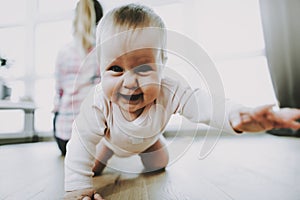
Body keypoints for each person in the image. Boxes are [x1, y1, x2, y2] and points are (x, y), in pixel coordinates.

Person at [64, 3, 300, 199]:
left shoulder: (170, 89)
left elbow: (204, 105)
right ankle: (105, 153)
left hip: (149, 139)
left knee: (159, 162)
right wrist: (78, 188)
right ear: (100, 68)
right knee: (90, 165)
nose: (129, 82)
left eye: (144, 68)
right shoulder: (97, 102)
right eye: (115, 69)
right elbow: (80, 142)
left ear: (162, 64)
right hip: (110, 140)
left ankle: (152, 142)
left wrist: (237, 115)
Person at [53, 0, 103, 156]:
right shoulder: (104, 51)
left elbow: (58, 94)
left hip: (63, 137)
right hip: (96, 139)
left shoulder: (63, 52)